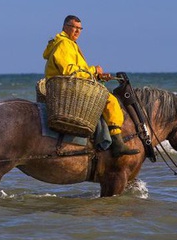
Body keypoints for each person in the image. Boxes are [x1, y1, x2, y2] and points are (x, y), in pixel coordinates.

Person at [42, 15, 139, 157]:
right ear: (64, 27)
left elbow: (79, 72)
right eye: (74, 27)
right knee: (110, 100)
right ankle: (117, 142)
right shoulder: (63, 44)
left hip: (70, 86)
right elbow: (70, 71)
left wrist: (98, 76)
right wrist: (94, 70)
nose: (77, 31)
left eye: (80, 28)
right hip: (68, 89)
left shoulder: (69, 44)